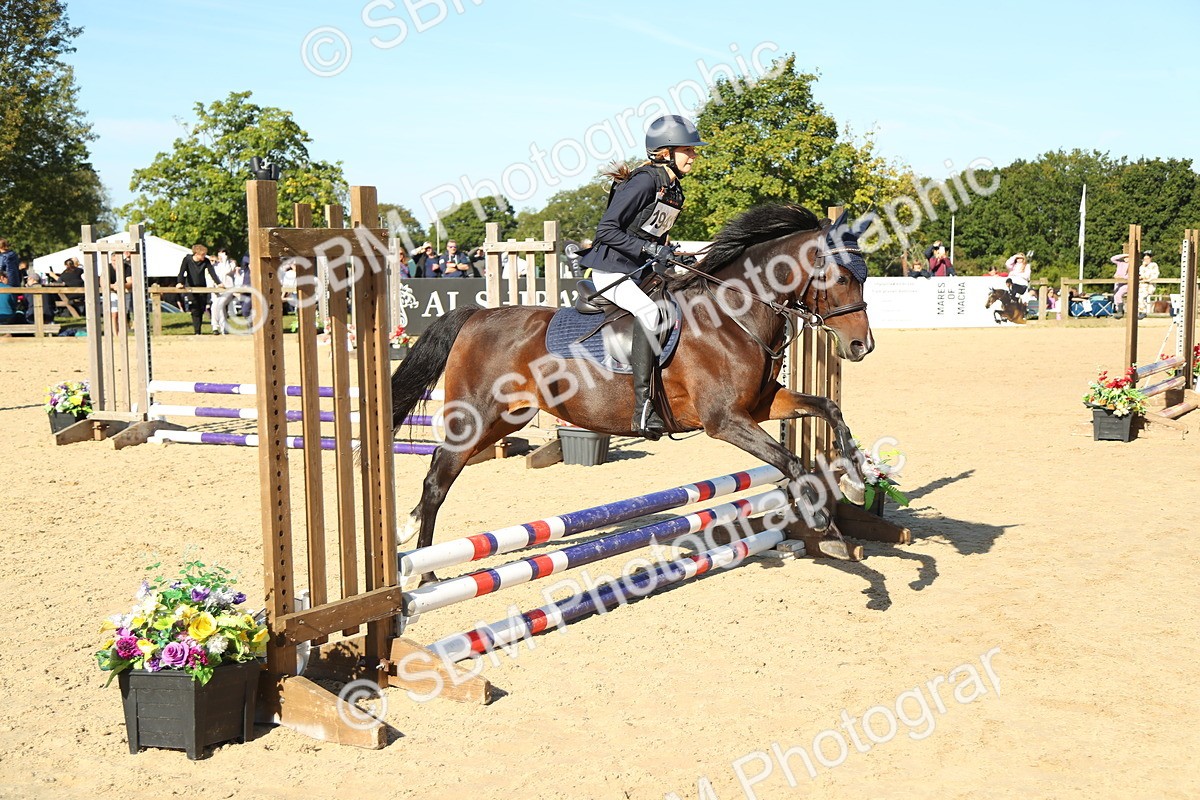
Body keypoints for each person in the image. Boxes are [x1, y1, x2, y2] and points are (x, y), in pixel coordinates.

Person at [579, 113, 708, 439]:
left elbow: (654, 235)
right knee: (650, 312)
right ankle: (642, 407)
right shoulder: (644, 181)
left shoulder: (673, 188)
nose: (694, 155)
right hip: (612, 271)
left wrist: (672, 254)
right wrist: (651, 252)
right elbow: (606, 230)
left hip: (641, 272)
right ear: (665, 151)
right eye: (688, 149)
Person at [176, 244, 219, 335]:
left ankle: (199, 330)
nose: (204, 257)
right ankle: (197, 331)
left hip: (202, 286)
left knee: (201, 308)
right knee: (195, 309)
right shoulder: (187, 260)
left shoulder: (206, 261)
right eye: (202, 255)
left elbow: (212, 273)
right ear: (196, 254)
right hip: (191, 286)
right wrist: (180, 282)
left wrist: (219, 283)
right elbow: (182, 271)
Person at [209, 248, 236, 334]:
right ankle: (216, 327)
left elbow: (227, 271)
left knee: (220, 305)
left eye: (223, 254)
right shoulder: (215, 265)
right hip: (217, 289)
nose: (220, 256)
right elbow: (212, 276)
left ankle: (221, 326)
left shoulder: (231, 264)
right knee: (215, 307)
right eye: (219, 254)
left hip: (228, 289)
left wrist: (225, 260)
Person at [1137, 251, 1159, 319]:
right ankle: (1140, 311)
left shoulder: (1153, 265)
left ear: (1150, 258)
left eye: (1147, 259)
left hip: (1149, 285)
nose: (1146, 260)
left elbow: (1154, 275)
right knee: (1139, 297)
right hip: (1141, 285)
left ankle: (1143, 311)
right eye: (1145, 259)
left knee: (1142, 297)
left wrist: (1146, 278)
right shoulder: (1141, 267)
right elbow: (1140, 274)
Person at [1110, 253, 1129, 318]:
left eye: (1128, 257)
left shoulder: (1132, 265)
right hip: (1118, 282)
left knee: (1118, 295)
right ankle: (1119, 310)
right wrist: (1124, 255)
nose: (1126, 259)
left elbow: (1130, 276)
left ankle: (1120, 311)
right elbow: (1112, 258)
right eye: (1125, 257)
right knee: (1115, 296)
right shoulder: (1120, 263)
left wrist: (1121, 277)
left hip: (1126, 284)